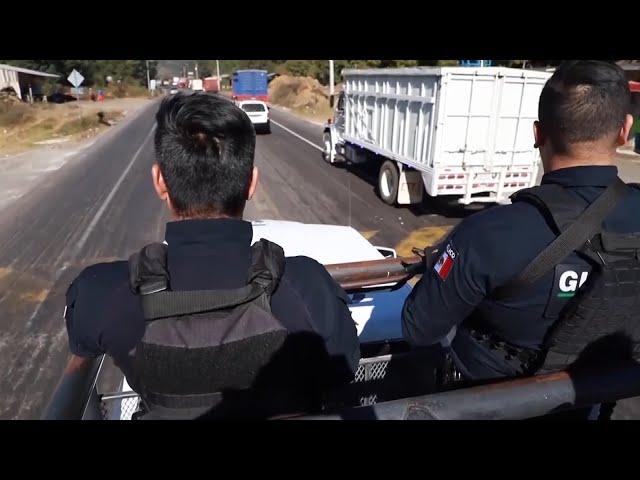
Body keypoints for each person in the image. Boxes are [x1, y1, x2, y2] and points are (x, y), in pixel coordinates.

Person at [64, 92, 360, 419]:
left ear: (160, 181)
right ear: (251, 183)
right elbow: (343, 367)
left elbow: (82, 345)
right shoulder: (307, 283)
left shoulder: (101, 291)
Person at [402, 60, 640, 417]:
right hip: (591, 401)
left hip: (486, 404)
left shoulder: (489, 233)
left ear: (538, 133)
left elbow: (417, 327)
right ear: (625, 130)